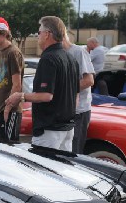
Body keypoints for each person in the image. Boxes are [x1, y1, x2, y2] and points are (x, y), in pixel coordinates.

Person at [5, 16, 79, 151]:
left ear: (47, 34)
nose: (37, 36)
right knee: (61, 170)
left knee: (44, 170)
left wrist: (20, 96)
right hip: (68, 128)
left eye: (39, 32)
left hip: (50, 130)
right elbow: (76, 96)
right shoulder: (70, 58)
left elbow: (46, 96)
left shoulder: (48, 58)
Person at [62, 28, 94, 154]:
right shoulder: (58, 53)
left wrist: (63, 92)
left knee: (74, 153)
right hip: (64, 111)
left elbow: (89, 80)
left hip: (79, 112)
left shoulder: (79, 52)